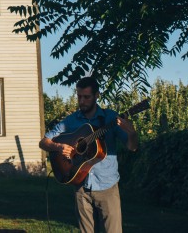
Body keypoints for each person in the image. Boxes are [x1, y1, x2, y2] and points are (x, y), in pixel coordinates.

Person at [39, 77, 138, 233]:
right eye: (79, 96)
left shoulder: (110, 118)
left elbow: (132, 147)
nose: (82, 101)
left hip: (107, 186)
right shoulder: (71, 121)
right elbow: (44, 142)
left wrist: (132, 133)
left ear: (97, 95)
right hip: (81, 185)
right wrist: (58, 147)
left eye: (86, 97)